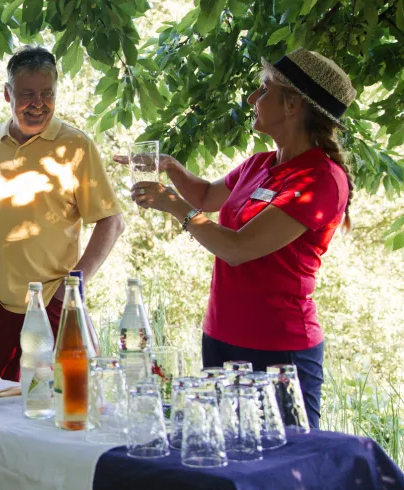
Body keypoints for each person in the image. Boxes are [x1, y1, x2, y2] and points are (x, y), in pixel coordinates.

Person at [123, 48, 357, 429]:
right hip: (220, 337)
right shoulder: (260, 164)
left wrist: (173, 204)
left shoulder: (321, 178)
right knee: (225, 451)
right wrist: (171, 168)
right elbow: (206, 196)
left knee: (283, 458)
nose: (252, 98)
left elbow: (238, 248)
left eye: (264, 90)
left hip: (279, 351)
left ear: (292, 104)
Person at [0, 46, 125, 381]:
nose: (38, 103)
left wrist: (73, 286)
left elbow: (112, 222)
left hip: (53, 303)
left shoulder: (76, 145)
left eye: (47, 93)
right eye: (27, 94)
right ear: (7, 94)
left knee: (64, 399)